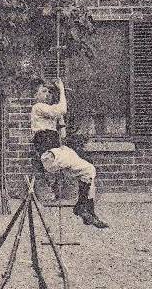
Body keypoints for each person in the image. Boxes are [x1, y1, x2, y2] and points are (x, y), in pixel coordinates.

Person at [30, 78, 108, 228]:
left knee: (89, 171)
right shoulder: (38, 107)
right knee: (85, 169)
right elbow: (62, 109)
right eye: (43, 91)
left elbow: (63, 134)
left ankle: (87, 210)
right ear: (36, 95)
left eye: (50, 92)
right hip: (50, 155)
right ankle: (82, 208)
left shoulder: (49, 112)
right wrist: (62, 90)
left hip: (58, 153)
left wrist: (60, 122)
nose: (47, 95)